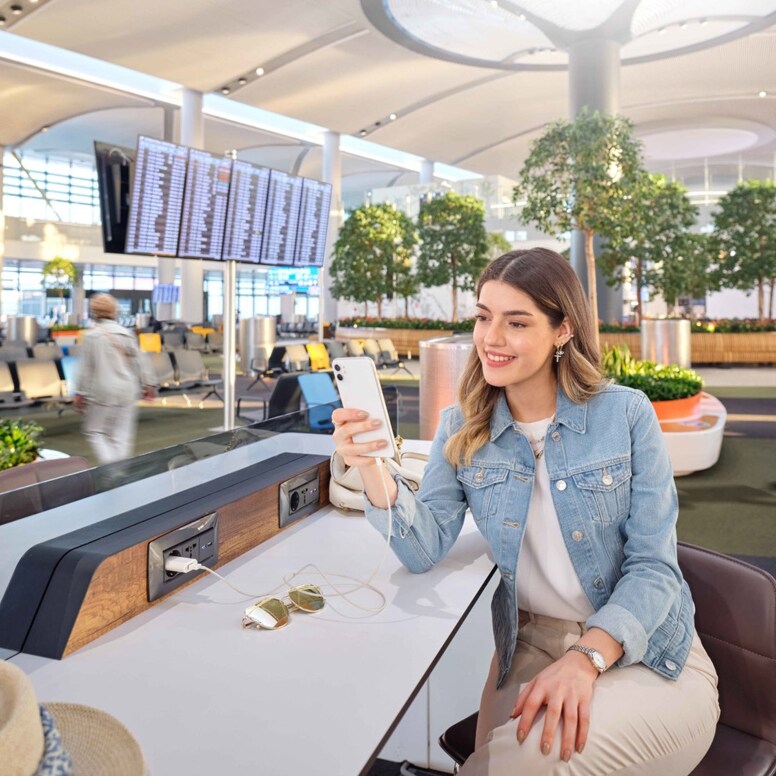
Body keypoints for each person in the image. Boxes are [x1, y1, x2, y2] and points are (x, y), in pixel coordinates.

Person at [332, 248, 719, 774]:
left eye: (516, 322)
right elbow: (422, 548)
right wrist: (373, 466)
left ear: (562, 330)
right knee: (496, 765)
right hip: (529, 647)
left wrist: (587, 658)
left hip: (645, 651)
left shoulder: (625, 414)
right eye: (483, 317)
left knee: (533, 763)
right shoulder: (463, 425)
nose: (491, 338)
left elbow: (654, 568)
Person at [74, 293, 156, 464]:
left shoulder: (91, 336)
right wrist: (149, 384)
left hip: (103, 391)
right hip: (127, 389)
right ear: (114, 311)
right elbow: (141, 361)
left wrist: (80, 393)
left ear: (94, 311)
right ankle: (120, 471)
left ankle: (112, 469)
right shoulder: (126, 333)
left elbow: (86, 369)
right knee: (121, 436)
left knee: (94, 431)